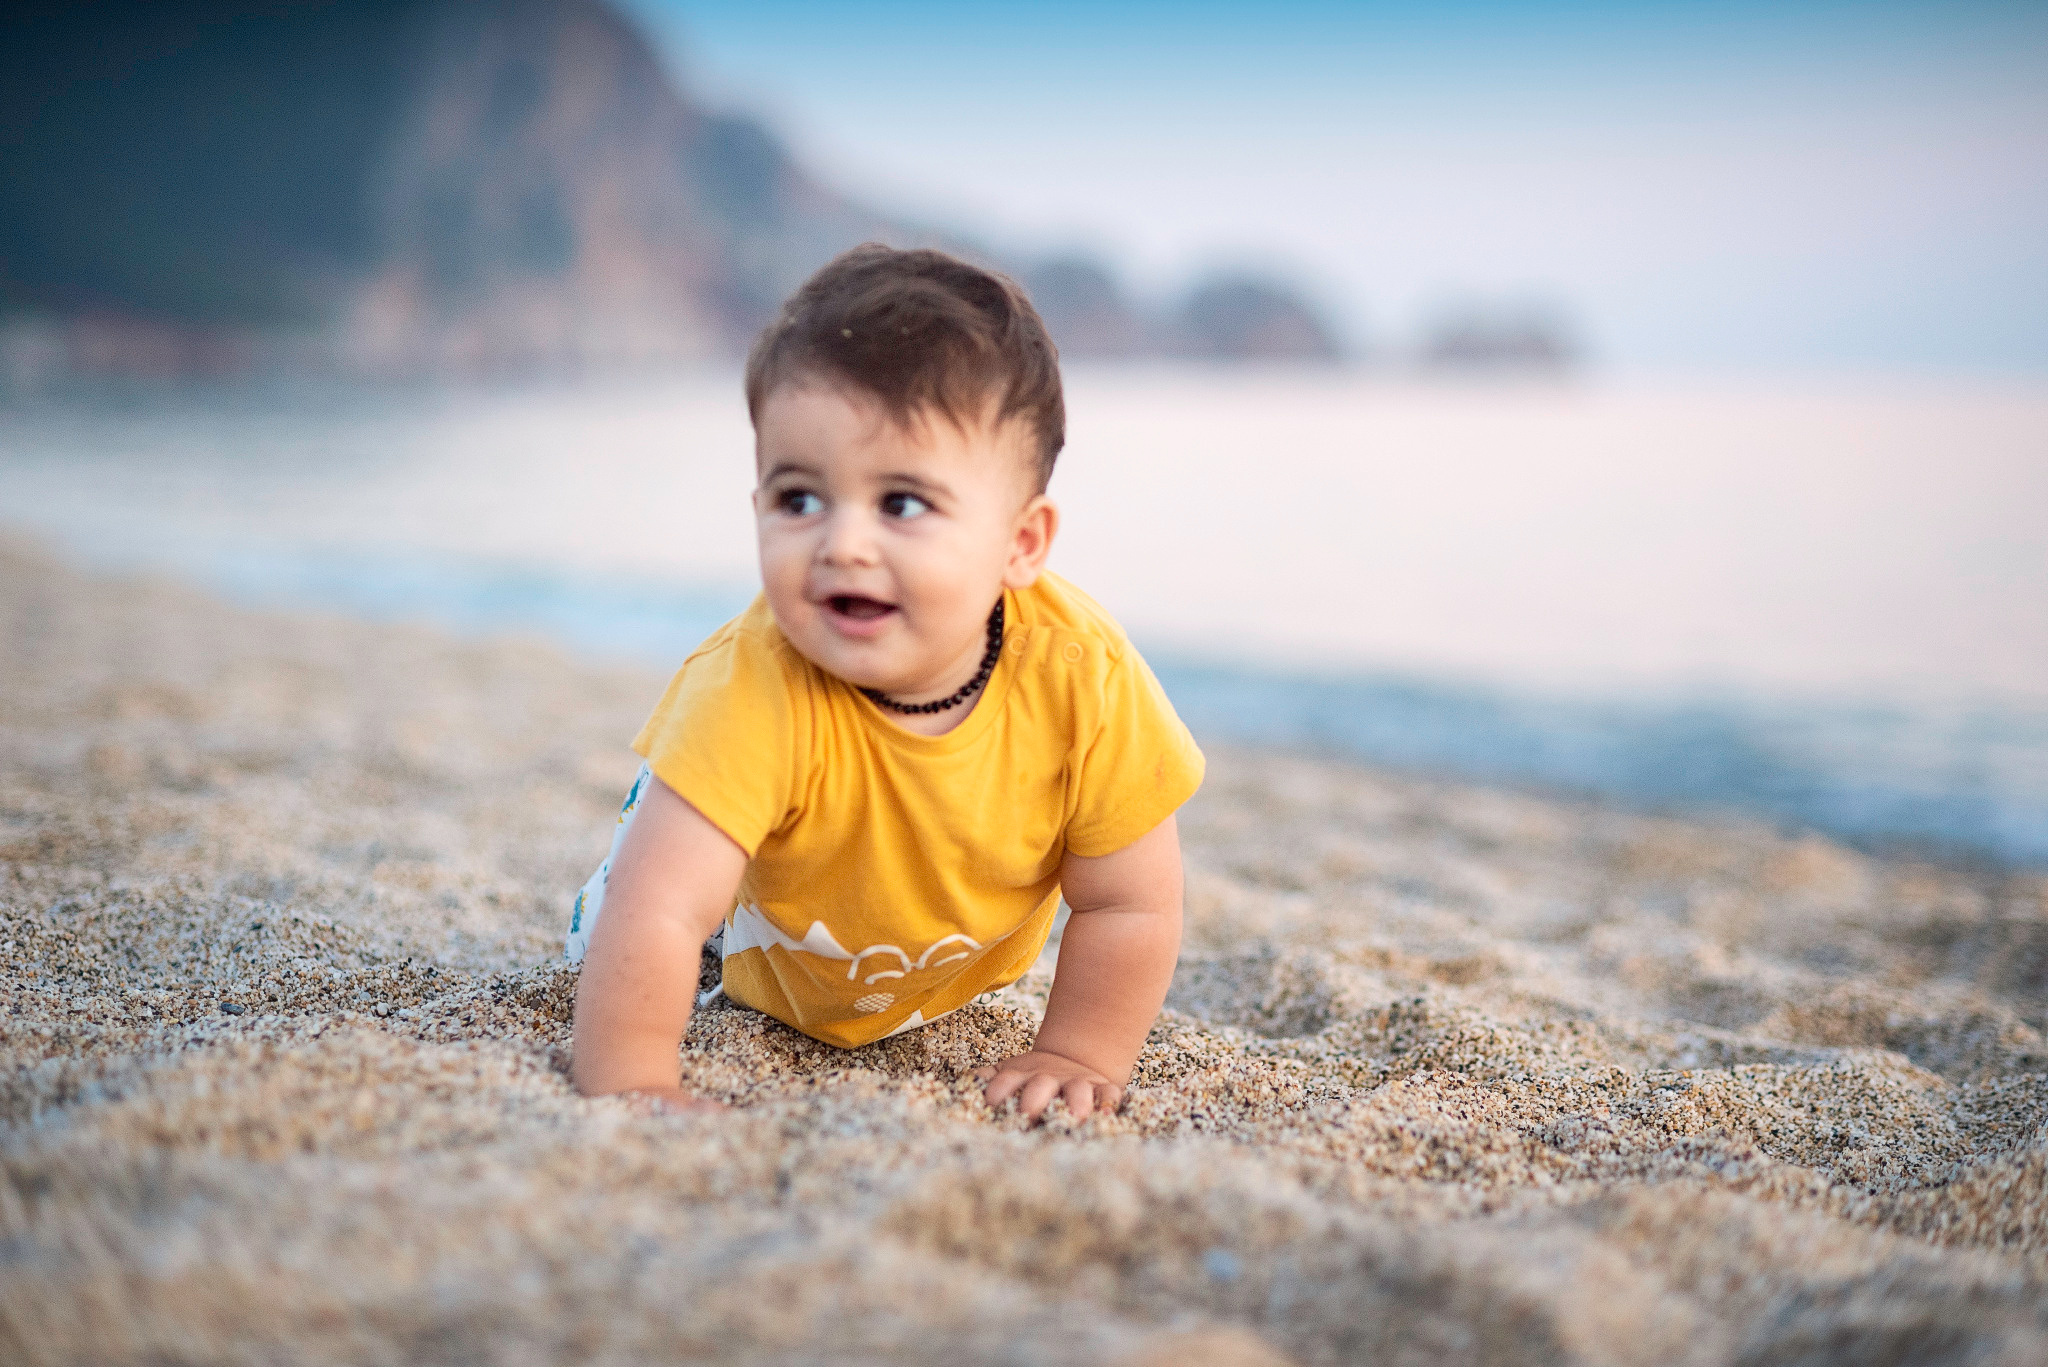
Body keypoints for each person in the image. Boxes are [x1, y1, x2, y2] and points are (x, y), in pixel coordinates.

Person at [566, 244, 1204, 1121]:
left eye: (901, 503)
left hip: (939, 963)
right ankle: (665, 804)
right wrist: (635, 1077)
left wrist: (1076, 1050)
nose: (843, 544)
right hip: (747, 941)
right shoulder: (752, 686)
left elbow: (1131, 901)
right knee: (629, 915)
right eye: (799, 498)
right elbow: (662, 911)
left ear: (1021, 544)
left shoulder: (1082, 679)